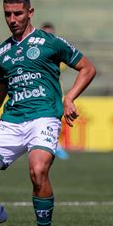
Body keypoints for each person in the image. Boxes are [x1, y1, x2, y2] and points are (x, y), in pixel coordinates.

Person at [0, 0, 96, 226]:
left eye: (18, 13)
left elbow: (87, 68)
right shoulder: (1, 52)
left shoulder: (50, 42)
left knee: (38, 170)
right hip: (12, 120)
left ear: (30, 12)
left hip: (44, 117)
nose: (12, 19)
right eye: (7, 14)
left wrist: (70, 97)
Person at [41, 22, 69, 161]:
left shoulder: (57, 49)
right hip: (39, 93)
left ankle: (54, 144)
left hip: (55, 91)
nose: (48, 37)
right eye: (45, 34)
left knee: (56, 119)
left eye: (50, 34)